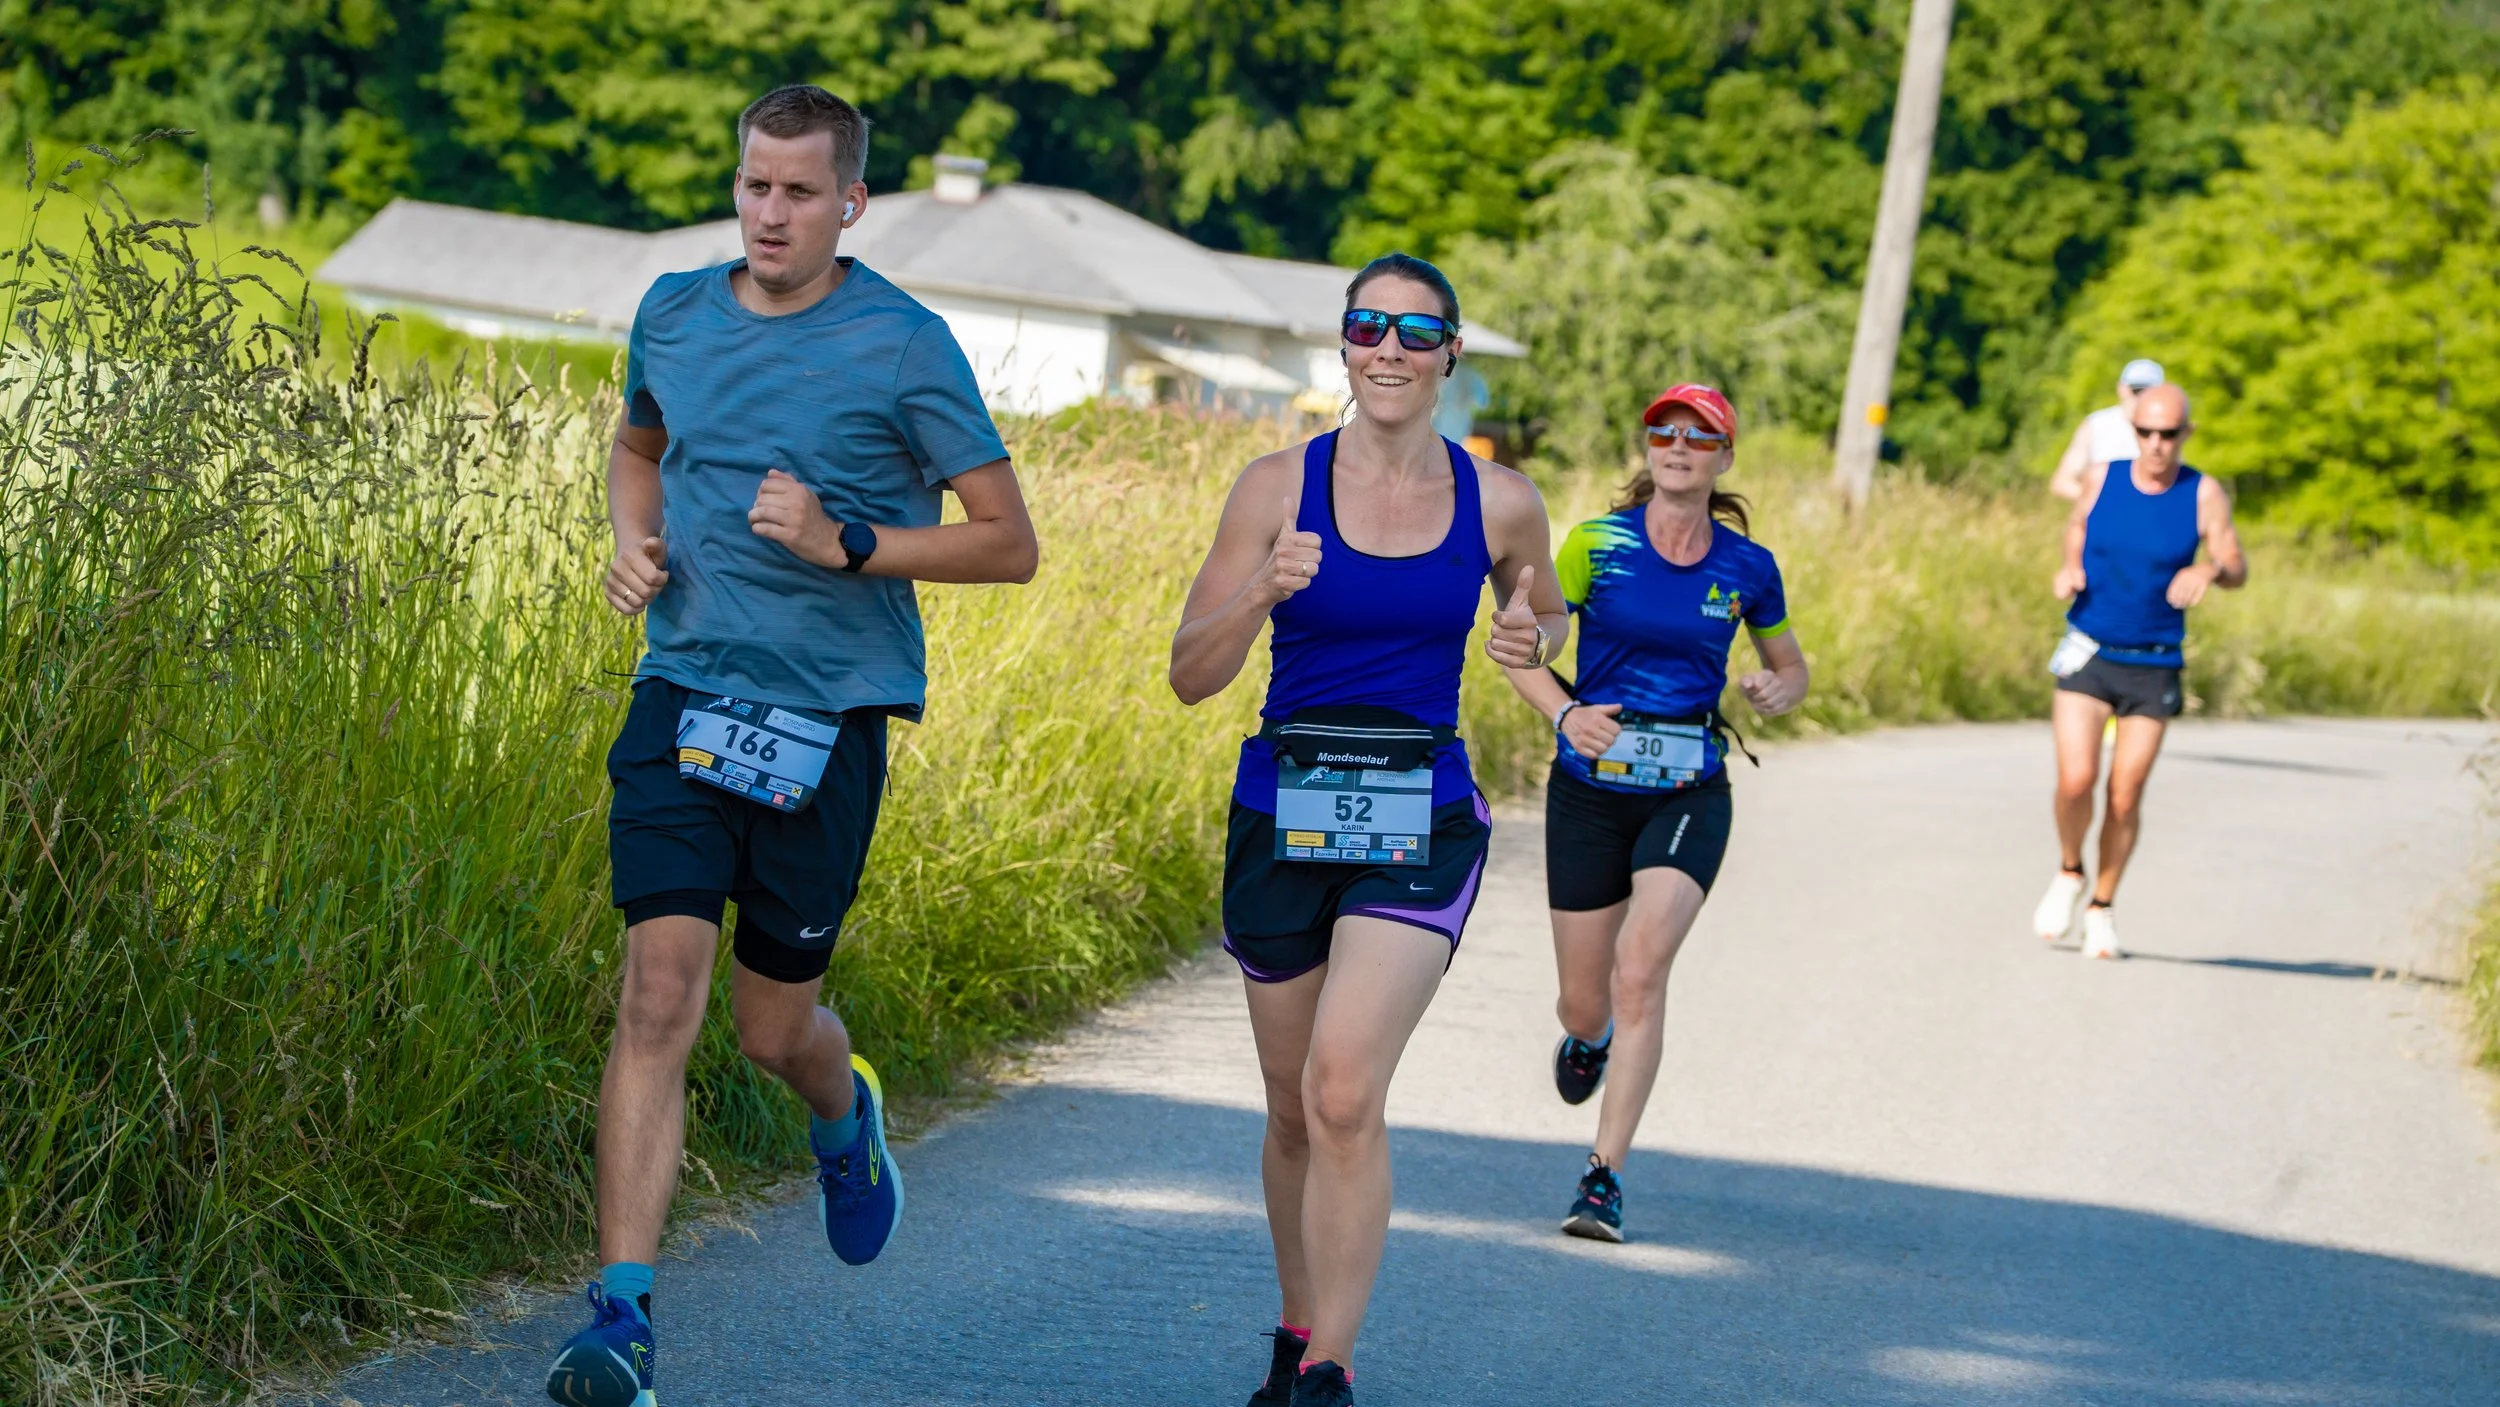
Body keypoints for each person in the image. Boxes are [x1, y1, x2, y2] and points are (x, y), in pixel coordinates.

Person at [545, 85, 1039, 1407]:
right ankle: (622, 1321)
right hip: (683, 691)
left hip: (827, 722)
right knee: (657, 990)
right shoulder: (676, 311)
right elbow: (637, 444)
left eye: (799, 192)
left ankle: (842, 1107)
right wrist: (630, 537)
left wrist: (850, 541)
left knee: (774, 1029)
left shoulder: (904, 345)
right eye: (755, 186)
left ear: (851, 204)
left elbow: (1009, 539)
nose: (770, 213)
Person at [1169, 253, 1564, 1407]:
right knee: (1292, 1108)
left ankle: (1332, 1368)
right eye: (1366, 326)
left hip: (1420, 812)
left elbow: (1530, 639)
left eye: (1413, 330)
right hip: (1282, 810)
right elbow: (1190, 674)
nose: (1387, 347)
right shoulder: (1270, 488)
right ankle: (1294, 1336)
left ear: (1450, 354)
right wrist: (1258, 596)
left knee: (1345, 1090)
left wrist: (1550, 679)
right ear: (1343, 345)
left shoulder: (1501, 501)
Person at [1501, 384, 1809, 1243]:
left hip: (1689, 788)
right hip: (1590, 787)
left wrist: (1777, 687)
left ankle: (1603, 1177)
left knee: (1643, 969)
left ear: (1723, 457)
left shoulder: (1748, 567)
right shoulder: (1596, 544)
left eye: (1698, 434)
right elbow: (1532, 647)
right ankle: (1587, 1036)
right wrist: (1563, 706)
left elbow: (1791, 666)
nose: (1677, 444)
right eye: (1662, 430)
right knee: (1582, 1000)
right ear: (1648, 447)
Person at [2033, 383, 2244, 960]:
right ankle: (2070, 870)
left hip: (2153, 664)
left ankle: (2102, 908)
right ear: (2134, 431)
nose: (2156, 444)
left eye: (2168, 434)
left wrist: (2209, 571)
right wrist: (2069, 568)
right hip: (2090, 650)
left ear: (2186, 434)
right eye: (2146, 432)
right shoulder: (2103, 477)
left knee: (2125, 794)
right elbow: (2077, 525)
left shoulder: (2202, 493)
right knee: (2076, 781)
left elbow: (2234, 562)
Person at [2050, 358, 2167, 501]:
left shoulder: (2168, 431)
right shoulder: (2097, 425)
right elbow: (2062, 481)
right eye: (2138, 390)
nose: (2143, 398)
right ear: (2122, 389)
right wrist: (2104, 502)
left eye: (2151, 393)